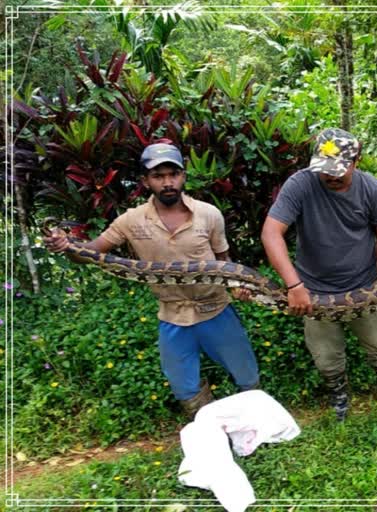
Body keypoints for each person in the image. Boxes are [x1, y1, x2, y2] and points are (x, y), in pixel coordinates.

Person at [43, 142, 261, 417]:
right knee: (184, 387)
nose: (167, 182)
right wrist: (68, 246)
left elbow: (225, 263)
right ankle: (211, 432)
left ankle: (256, 425)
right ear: (145, 181)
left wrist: (239, 287)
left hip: (215, 308)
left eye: (173, 174)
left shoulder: (209, 214)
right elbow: (90, 253)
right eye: (158, 176)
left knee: (246, 374)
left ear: (183, 176)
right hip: (172, 315)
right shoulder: (131, 221)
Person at [261, 128, 377, 421]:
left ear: (356, 161)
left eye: (339, 170)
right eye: (325, 170)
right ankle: (340, 400)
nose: (331, 177)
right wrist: (294, 284)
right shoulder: (300, 185)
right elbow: (272, 232)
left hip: (365, 287)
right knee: (326, 358)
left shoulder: (373, 190)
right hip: (314, 290)